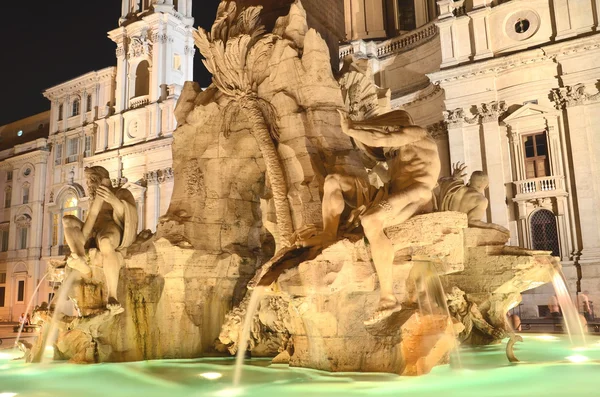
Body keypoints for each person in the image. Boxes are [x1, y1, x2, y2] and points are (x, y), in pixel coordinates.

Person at [298, 109, 441, 325]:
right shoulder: (396, 152)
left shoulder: (417, 133)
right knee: (333, 181)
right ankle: (328, 235)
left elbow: (381, 137)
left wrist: (350, 129)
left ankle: (388, 297)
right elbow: (382, 150)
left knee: (371, 220)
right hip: (392, 193)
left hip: (418, 193)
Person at [63, 166, 138, 309]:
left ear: (102, 179)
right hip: (94, 230)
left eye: (91, 180)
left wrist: (114, 200)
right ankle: (80, 259)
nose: (89, 184)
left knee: (106, 242)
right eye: (87, 181)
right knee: (67, 221)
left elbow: (129, 214)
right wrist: (83, 238)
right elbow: (91, 217)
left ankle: (112, 294)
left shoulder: (121, 192)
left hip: (112, 227)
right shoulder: (94, 199)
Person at [438, 163, 509, 235]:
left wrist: (455, 178)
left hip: (440, 226)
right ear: (487, 185)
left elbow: (441, 181)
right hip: (455, 233)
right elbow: (472, 222)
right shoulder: (481, 200)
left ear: (470, 180)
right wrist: (494, 226)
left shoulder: (455, 186)